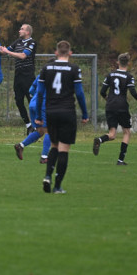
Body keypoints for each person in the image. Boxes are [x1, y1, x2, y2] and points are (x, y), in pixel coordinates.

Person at [36, 41, 88, 194]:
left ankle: (47, 176)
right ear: (70, 53)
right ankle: (57, 186)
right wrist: (85, 113)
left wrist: (39, 115)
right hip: (67, 112)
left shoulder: (46, 68)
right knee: (64, 150)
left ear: (56, 53)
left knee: (54, 146)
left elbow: (39, 93)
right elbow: (79, 93)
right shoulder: (73, 68)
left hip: (51, 112)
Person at [94, 53, 137, 165]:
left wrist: (109, 100)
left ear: (117, 62)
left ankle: (100, 140)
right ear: (128, 63)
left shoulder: (110, 75)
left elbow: (102, 92)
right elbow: (133, 92)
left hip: (110, 106)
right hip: (122, 106)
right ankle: (120, 160)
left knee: (112, 134)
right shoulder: (129, 76)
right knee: (127, 132)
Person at [1, 24, 37, 133]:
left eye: (22, 29)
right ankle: (28, 125)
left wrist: (7, 52)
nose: (19, 30)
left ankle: (36, 126)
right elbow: (5, 51)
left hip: (28, 76)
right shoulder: (17, 42)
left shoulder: (32, 42)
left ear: (28, 32)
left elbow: (23, 56)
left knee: (32, 102)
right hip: (18, 76)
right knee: (18, 101)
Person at [12, 77, 52, 163]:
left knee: (40, 131)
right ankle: (44, 156)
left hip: (33, 104)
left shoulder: (41, 74)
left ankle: (21, 145)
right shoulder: (55, 75)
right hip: (43, 105)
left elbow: (31, 90)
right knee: (49, 131)